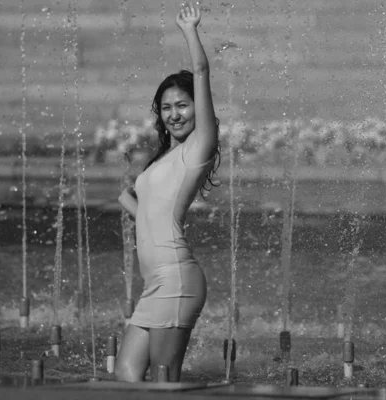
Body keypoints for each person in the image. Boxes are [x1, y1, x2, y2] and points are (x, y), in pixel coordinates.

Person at [114, 2, 220, 382]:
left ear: (197, 109)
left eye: (183, 106)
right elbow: (149, 207)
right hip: (155, 284)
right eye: (166, 108)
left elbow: (203, 72)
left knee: (163, 380)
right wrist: (127, 199)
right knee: (126, 376)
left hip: (176, 279)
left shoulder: (199, 148)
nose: (174, 114)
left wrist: (189, 30)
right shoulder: (164, 158)